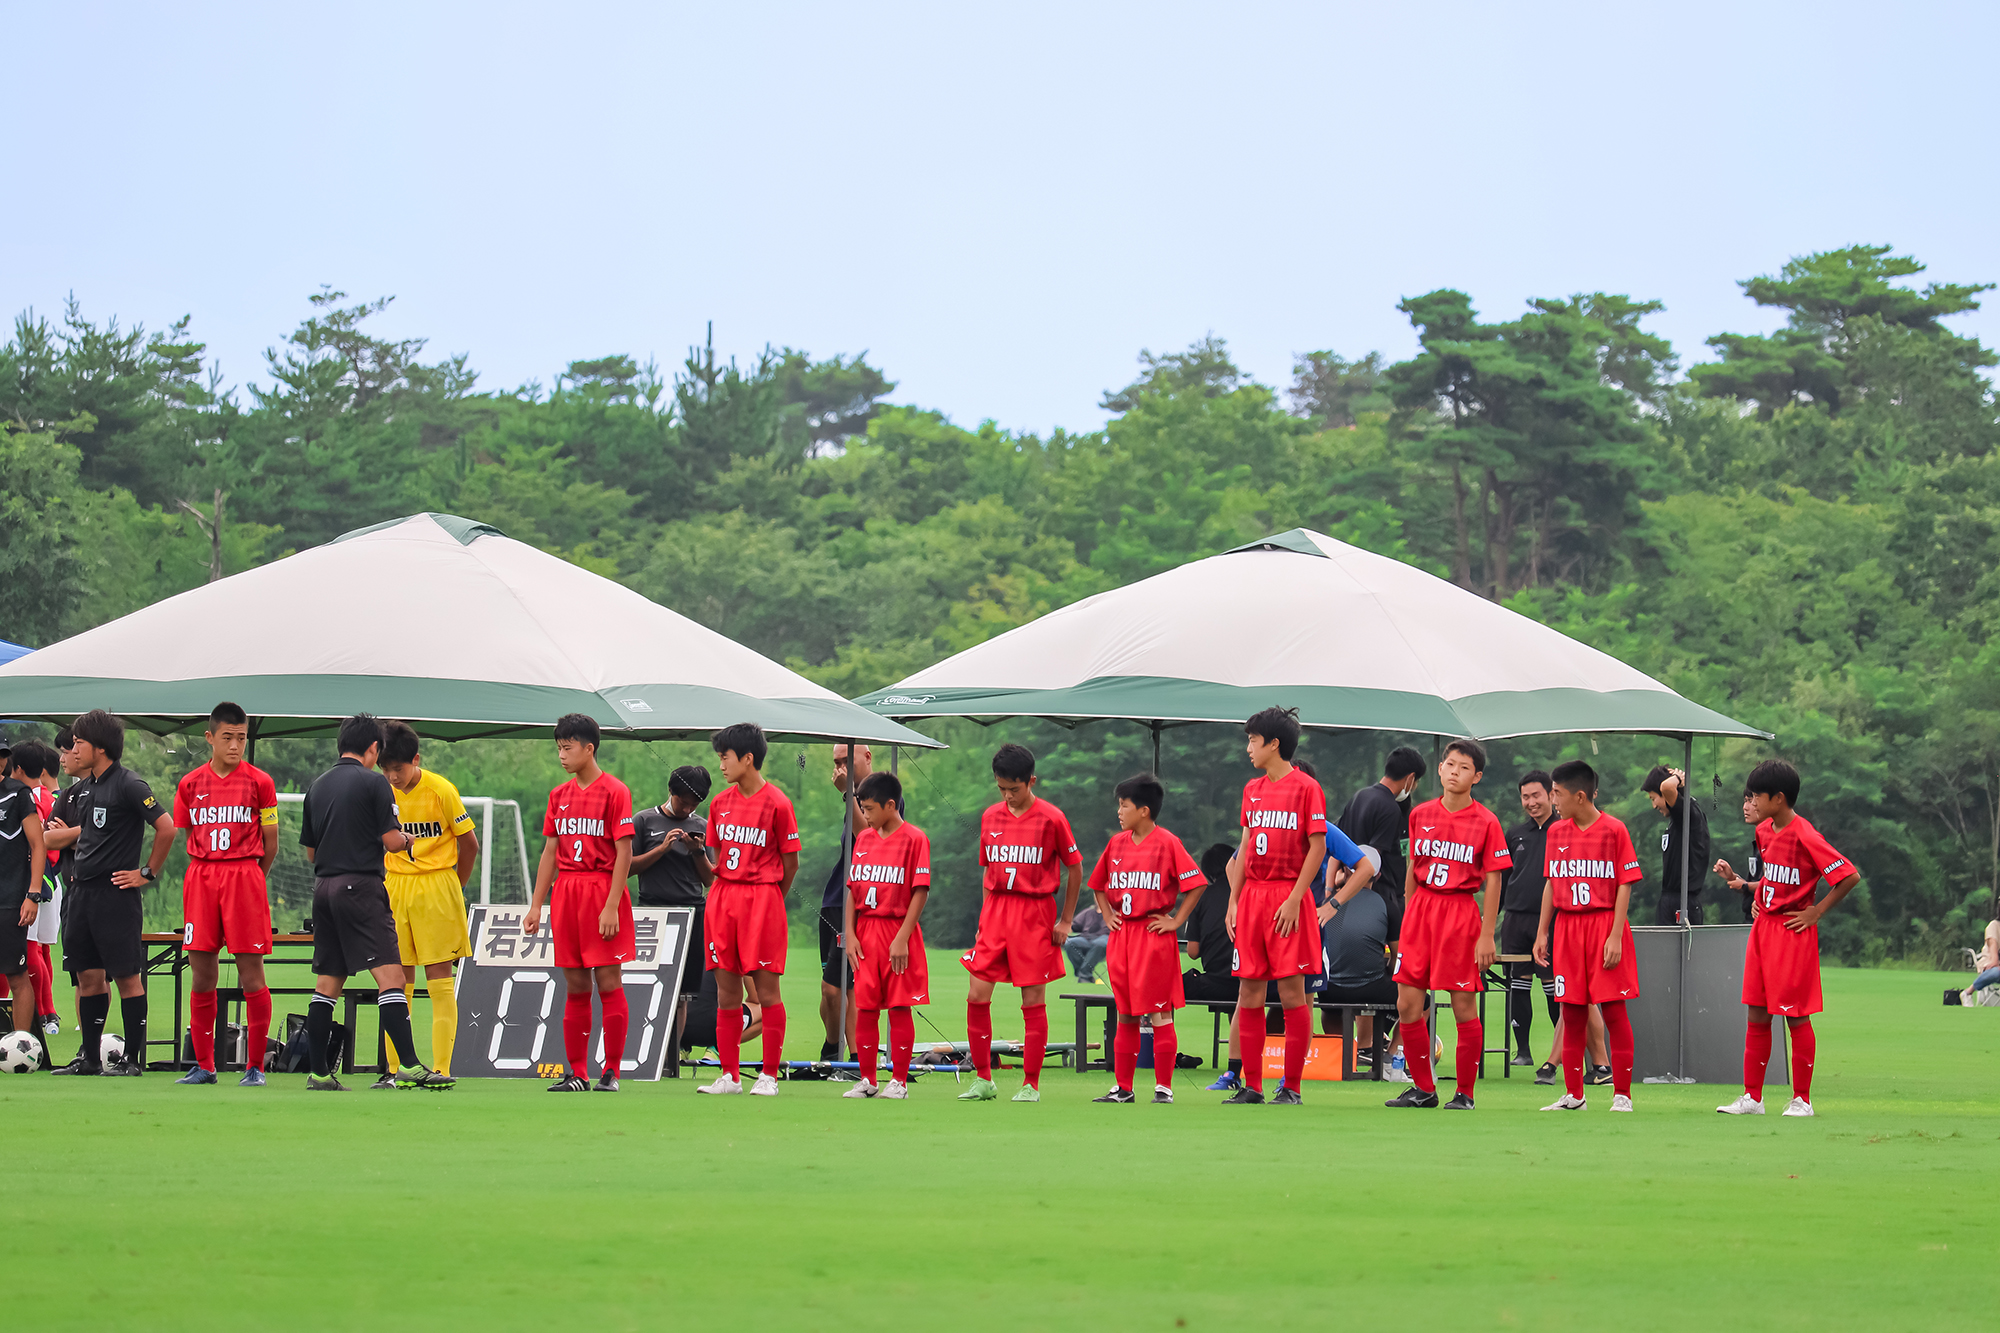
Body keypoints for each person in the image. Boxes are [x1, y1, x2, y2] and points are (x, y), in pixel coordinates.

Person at [298, 715, 444, 1091]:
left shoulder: (317, 786)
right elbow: (392, 841)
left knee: (327, 982)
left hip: (324, 888)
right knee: (391, 978)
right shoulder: (374, 782)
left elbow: (311, 851)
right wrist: (408, 840)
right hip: (360, 887)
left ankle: (317, 1073)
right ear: (373, 749)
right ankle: (409, 1066)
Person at [1713, 759, 1860, 1118]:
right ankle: (1753, 1098)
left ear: (1778, 798)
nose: (1751, 802)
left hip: (1793, 932)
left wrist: (1817, 911)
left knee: (1795, 1016)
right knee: (1758, 1013)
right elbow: (1777, 879)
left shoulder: (1805, 834)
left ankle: (1802, 1100)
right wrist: (1746, 886)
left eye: (1755, 796)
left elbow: (1849, 876)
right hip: (1763, 928)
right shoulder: (1765, 832)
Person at [43, 710, 173, 1077]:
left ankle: (132, 1059)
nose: (74, 748)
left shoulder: (130, 784)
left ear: (99, 747)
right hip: (80, 894)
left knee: (127, 976)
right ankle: (89, 1058)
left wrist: (146, 872)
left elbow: (166, 827)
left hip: (115, 894)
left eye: (80, 742)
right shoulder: (86, 788)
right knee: (87, 977)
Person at [1384, 738, 1510, 1111]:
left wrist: (1487, 933)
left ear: (1477, 777)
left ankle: (1465, 1093)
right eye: (1450, 765)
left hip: (1459, 914)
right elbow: (1412, 867)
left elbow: (1494, 880)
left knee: (1462, 1006)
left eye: (1464, 767)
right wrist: (1408, 914)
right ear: (1439, 769)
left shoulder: (1486, 821)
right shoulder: (1420, 813)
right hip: (1421, 911)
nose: (1455, 772)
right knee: (1407, 1004)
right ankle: (1424, 1089)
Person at [958, 743, 1083, 1104]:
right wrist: (984, 920)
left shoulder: (1052, 818)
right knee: (976, 994)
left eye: (1015, 788)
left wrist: (1065, 920)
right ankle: (983, 1079)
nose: (1009, 796)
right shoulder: (990, 817)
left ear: (1031, 781)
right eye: (1002, 789)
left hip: (1035, 913)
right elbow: (987, 871)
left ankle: (1031, 1084)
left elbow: (1074, 868)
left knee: (1032, 999)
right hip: (996, 912)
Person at [170, 702, 281, 1087]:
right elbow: (188, 836)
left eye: (241, 738)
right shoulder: (189, 784)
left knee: (251, 972)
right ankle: (204, 1065)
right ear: (210, 738)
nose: (235, 745)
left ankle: (255, 1067)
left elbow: (272, 842)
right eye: (227, 738)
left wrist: (252, 877)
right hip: (202, 877)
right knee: (202, 973)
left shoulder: (260, 783)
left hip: (244, 875)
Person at [524, 713, 635, 1093]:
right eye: (559, 747)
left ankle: (612, 1072)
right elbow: (549, 853)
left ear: (589, 748)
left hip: (601, 890)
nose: (562, 755)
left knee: (608, 980)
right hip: (567, 894)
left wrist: (611, 904)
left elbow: (624, 853)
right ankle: (577, 1073)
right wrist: (537, 905)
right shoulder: (559, 796)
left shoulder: (615, 791)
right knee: (574, 984)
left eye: (568, 747)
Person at [1222, 707, 1327, 1106]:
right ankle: (1252, 1085)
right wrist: (1234, 900)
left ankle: (1292, 1087)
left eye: (1253, 740)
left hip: (1287, 895)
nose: (1248, 747)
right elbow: (1246, 845)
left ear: (1274, 744)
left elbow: (1317, 846)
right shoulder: (1252, 789)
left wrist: (1296, 898)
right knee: (1249, 990)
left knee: (1290, 992)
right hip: (1253, 897)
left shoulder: (1305, 788)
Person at [1086, 772, 1207, 1104]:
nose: (1119, 812)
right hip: (1122, 935)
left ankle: (1163, 1087)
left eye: (1124, 806)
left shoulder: (1167, 842)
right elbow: (1097, 883)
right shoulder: (1116, 844)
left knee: (1159, 1012)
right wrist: (1106, 914)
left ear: (1144, 810)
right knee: (1124, 1012)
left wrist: (1177, 920)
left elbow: (1196, 883)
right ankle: (1123, 1088)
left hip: (1152, 936)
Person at [696, 722, 801, 1097]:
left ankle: (769, 1076)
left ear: (747, 758)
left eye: (725, 757)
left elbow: (791, 865)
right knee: (726, 992)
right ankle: (730, 1075)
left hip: (762, 899)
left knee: (766, 991)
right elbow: (717, 858)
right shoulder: (720, 804)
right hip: (724, 899)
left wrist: (772, 898)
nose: (721, 765)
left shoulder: (778, 803)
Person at [1533, 760, 1643, 1112]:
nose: (1553, 801)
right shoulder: (1556, 832)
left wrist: (1614, 935)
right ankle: (1574, 1095)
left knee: (1613, 1009)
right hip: (1568, 928)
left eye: (1557, 794)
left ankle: (1622, 1095)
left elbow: (1625, 884)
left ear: (1579, 796)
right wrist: (1542, 932)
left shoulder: (1614, 830)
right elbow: (1552, 882)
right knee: (1572, 1010)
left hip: (1603, 924)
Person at [378, 721, 479, 1082]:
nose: (392, 776)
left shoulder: (440, 789)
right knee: (395, 980)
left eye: (398, 768)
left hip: (436, 885)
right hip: (395, 887)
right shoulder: (380, 791)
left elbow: (470, 845)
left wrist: (453, 885)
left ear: (415, 759)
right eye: (385, 769)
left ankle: (441, 1068)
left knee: (439, 979)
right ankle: (394, 1070)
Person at [840, 771, 931, 1100]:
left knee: (899, 1006)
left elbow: (920, 891)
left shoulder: (914, 839)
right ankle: (867, 1079)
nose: (864, 816)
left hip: (897, 931)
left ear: (890, 805)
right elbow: (852, 889)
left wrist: (903, 937)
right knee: (865, 1006)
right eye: (862, 809)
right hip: (866, 932)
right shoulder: (863, 839)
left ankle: (900, 1082)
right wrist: (849, 934)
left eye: (869, 809)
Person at [629, 765, 715, 1058]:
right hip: (652, 911)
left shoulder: (702, 827)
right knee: (646, 981)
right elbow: (627, 867)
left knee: (683, 992)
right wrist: (662, 849)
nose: (688, 808)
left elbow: (709, 879)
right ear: (671, 792)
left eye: (694, 804)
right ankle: (643, 1051)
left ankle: (672, 1054)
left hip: (691, 913)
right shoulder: (644, 820)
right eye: (683, 801)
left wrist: (697, 851)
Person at [1337, 746, 1426, 953]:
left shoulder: (1359, 796)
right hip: (1379, 894)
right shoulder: (1389, 807)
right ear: (1411, 778)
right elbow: (1373, 860)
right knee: (1391, 957)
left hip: (1348, 891)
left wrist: (1336, 883)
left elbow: (1339, 843)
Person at [1500, 770, 1559, 1073]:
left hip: (1549, 921)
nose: (1531, 802)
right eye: (1526, 797)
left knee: (1552, 987)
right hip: (1515, 919)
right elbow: (1504, 880)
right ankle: (1522, 1051)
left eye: (1536, 795)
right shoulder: (1515, 834)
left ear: (1551, 794)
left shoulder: (1564, 830)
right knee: (1518, 986)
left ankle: (1558, 1053)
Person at [817, 744, 873, 1061]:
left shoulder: (880, 792)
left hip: (855, 904)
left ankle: (836, 1052)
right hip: (834, 901)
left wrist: (847, 795)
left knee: (835, 989)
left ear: (867, 757)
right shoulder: (854, 796)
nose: (841, 767)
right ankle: (847, 1054)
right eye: (837, 762)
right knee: (836, 991)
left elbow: (869, 839)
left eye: (847, 760)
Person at [0, 743, 47, 1039]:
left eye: (3, 755)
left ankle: (21, 1044)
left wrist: (33, 893)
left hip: (9, 899)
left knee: (16, 975)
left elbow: (38, 844)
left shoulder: (18, 794)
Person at [17, 742, 62, 1036]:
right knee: (41, 949)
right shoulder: (51, 797)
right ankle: (49, 1013)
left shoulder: (24, 799)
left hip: (34, 883)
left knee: (28, 948)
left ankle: (42, 1013)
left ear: (17, 769)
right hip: (49, 882)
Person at [1641, 765, 1711, 925]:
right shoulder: (1675, 821)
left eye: (1653, 798)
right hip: (1669, 900)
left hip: (1683, 901)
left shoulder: (1688, 814)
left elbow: (1666, 787)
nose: (1654, 806)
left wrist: (1679, 778)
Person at [1712, 792, 1761, 923]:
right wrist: (1733, 877)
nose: (1745, 807)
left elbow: (1775, 885)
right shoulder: (1758, 842)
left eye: (1750, 801)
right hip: (1750, 921)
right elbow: (1757, 885)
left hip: (1764, 923)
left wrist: (1745, 885)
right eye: (1745, 801)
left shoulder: (1775, 843)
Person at [1063, 901, 1109, 982]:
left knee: (1100, 944)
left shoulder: (1114, 912)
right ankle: (1083, 974)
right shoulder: (1088, 912)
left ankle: (1085, 975)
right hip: (1086, 938)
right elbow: (1074, 926)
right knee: (1070, 943)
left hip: (1105, 938)